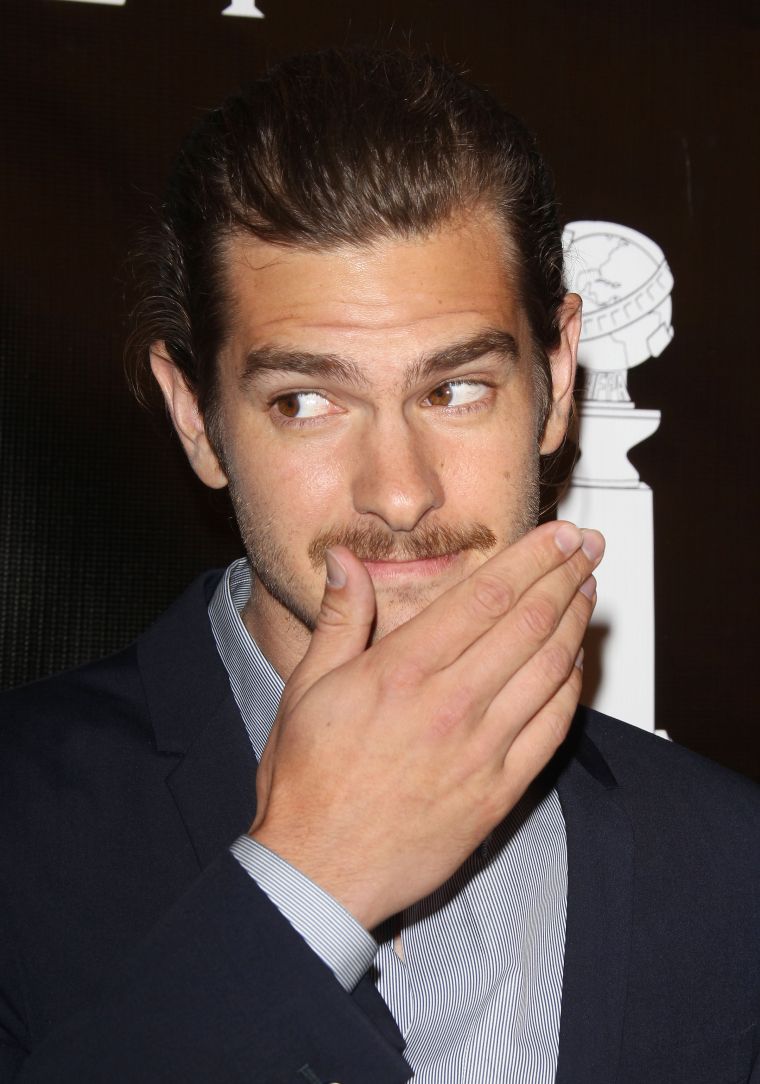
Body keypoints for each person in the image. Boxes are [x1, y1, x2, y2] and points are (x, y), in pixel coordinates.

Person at [0, 46, 758, 1084]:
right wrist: (311, 879)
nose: (399, 493)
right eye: (306, 402)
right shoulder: (18, 824)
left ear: (556, 378)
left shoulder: (728, 863)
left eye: (454, 390)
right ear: (196, 419)